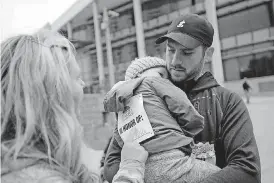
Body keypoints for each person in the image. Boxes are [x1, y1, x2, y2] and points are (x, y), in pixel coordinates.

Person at [103, 13, 261, 183]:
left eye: (187, 52)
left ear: (207, 54)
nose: (175, 60)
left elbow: (247, 171)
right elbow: (111, 164)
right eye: (170, 50)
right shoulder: (143, 95)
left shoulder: (227, 101)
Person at [1, 31, 148, 183]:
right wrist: (130, 171)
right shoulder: (40, 178)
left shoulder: (22, 163)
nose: (83, 85)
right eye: (77, 78)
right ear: (54, 93)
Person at [103, 56, 220, 183]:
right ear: (139, 74)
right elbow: (180, 102)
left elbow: (119, 137)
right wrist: (194, 124)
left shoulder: (120, 104)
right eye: (161, 74)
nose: (165, 79)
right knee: (219, 175)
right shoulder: (150, 82)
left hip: (140, 167)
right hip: (170, 160)